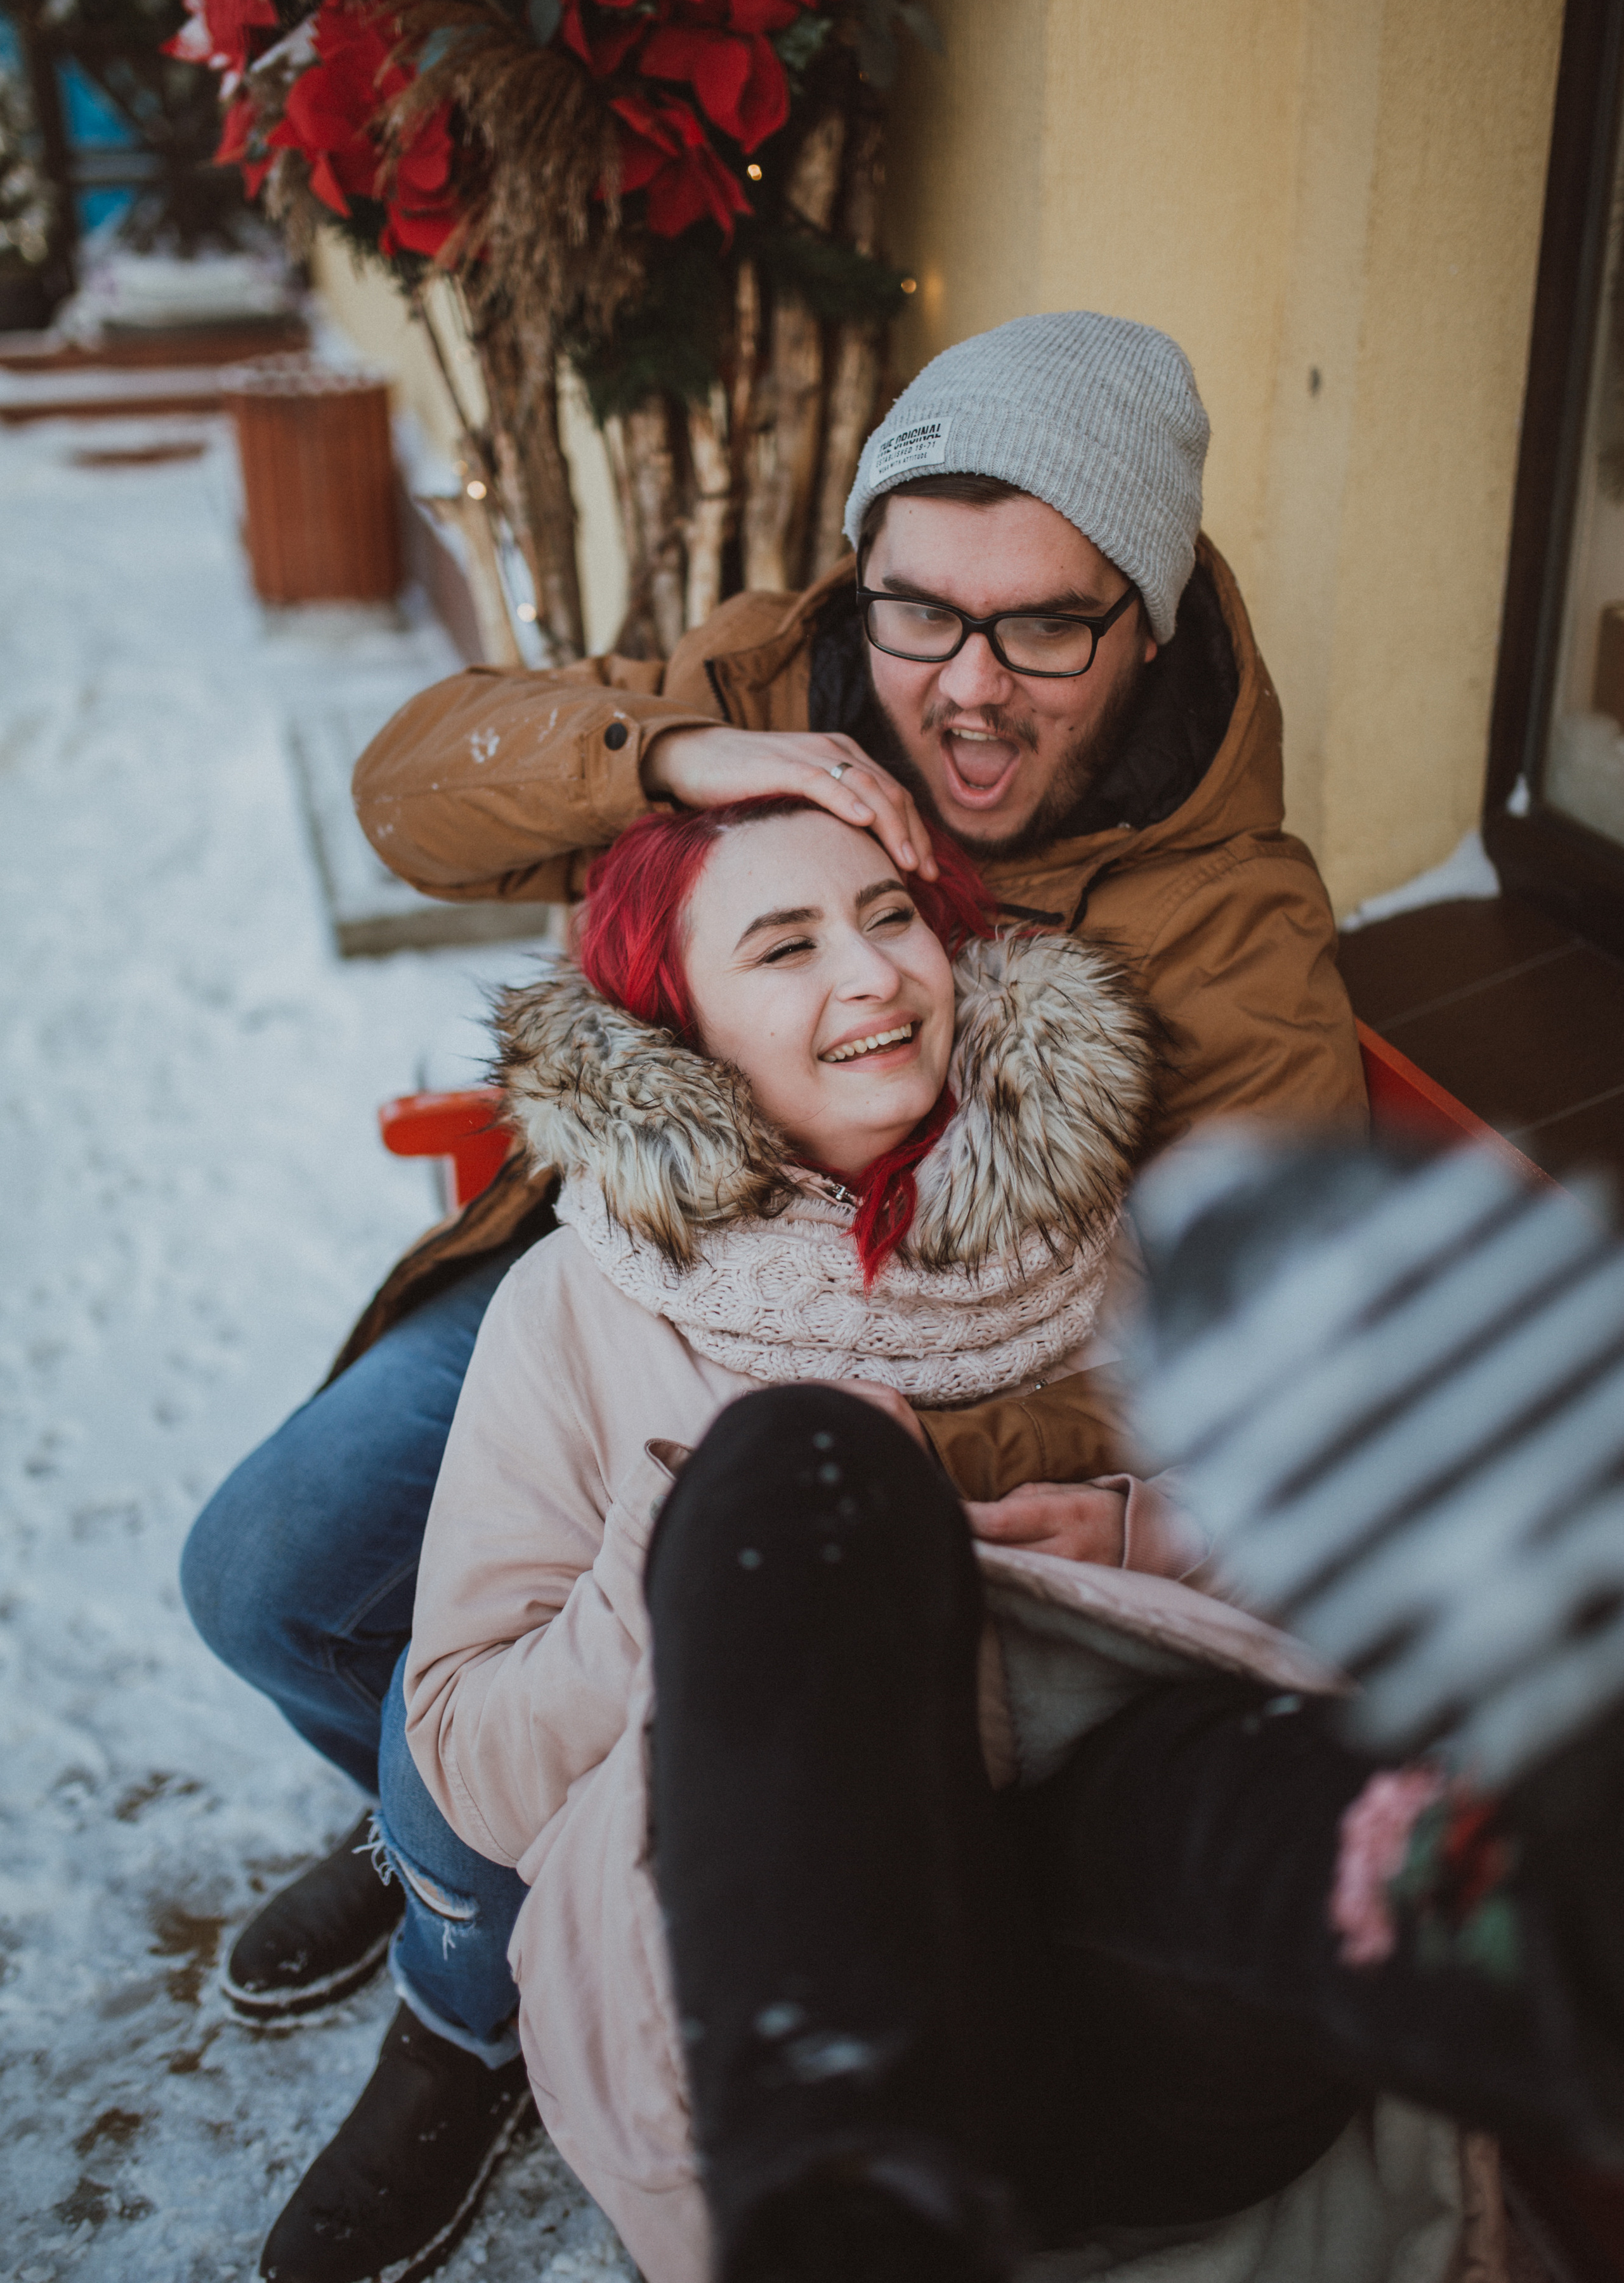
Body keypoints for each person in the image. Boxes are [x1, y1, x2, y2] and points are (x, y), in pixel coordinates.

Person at [181, 312, 1366, 2279]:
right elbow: (412, 796)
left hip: (917, 1379)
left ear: (1144, 621)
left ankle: (461, 1986)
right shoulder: (777, 673)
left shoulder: (1229, 926)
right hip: (638, 1269)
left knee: (627, 1638)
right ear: (866, 577)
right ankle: (451, 1842)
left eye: (1045, 630)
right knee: (274, 1579)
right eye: (920, 613)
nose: (962, 695)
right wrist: (670, 750)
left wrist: (827, 1432)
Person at [398, 798, 1588, 2283]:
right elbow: (473, 1760)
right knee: (795, 1463)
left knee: (1256, 1795)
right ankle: (848, 2178)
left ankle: (1530, 1924)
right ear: (672, 1029)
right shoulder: (576, 1311)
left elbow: (1338, 1572)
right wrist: (686, 1546)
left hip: (1147, 2003)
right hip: (814, 1982)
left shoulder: (1110, 1234)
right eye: (785, 947)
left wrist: (1146, 1538)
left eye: (893, 915)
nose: (875, 975)